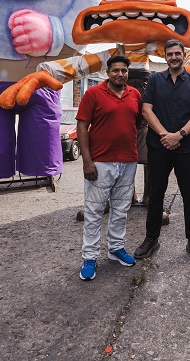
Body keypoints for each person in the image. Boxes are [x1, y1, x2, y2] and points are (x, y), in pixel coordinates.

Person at [134, 39, 190, 264]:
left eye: (178, 53)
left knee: (189, 195)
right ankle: (151, 238)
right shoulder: (155, 80)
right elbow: (147, 111)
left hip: (186, 148)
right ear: (165, 57)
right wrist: (166, 135)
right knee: (156, 194)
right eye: (170, 54)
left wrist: (180, 135)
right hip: (159, 147)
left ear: (183, 55)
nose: (174, 57)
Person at [76, 55, 142, 280]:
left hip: (128, 161)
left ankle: (116, 249)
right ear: (108, 72)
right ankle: (90, 256)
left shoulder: (135, 95)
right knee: (94, 211)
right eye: (116, 70)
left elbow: (137, 123)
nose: (120, 74)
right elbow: (82, 127)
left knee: (121, 209)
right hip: (100, 162)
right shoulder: (93, 94)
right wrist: (87, 161)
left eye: (124, 70)